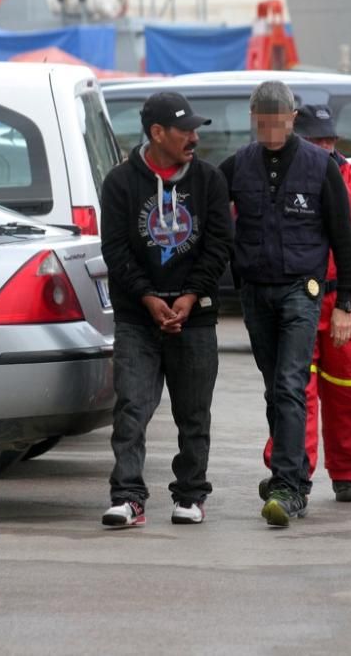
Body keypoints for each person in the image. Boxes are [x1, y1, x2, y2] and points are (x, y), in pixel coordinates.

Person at [220, 81, 351, 528]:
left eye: (277, 122)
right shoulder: (239, 165)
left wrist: (344, 302)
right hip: (256, 292)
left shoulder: (320, 167)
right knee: (273, 386)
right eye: (261, 123)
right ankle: (291, 469)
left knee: (290, 385)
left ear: (293, 119)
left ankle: (288, 487)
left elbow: (343, 238)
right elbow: (204, 202)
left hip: (303, 291)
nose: (270, 130)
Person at [100, 92, 233, 528]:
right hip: (139, 317)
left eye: (196, 129)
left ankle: (191, 495)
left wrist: (191, 296)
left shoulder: (210, 181)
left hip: (195, 316)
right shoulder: (120, 183)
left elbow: (219, 245)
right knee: (131, 409)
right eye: (185, 130)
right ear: (157, 133)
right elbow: (115, 251)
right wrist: (148, 297)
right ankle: (128, 497)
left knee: (194, 412)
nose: (194, 137)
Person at [257, 104, 351, 503]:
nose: (325, 146)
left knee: (347, 393)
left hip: (345, 302)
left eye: (329, 140)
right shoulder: (278, 174)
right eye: (316, 141)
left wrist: (319, 180)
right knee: (296, 392)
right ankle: (291, 472)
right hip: (300, 297)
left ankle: (348, 472)